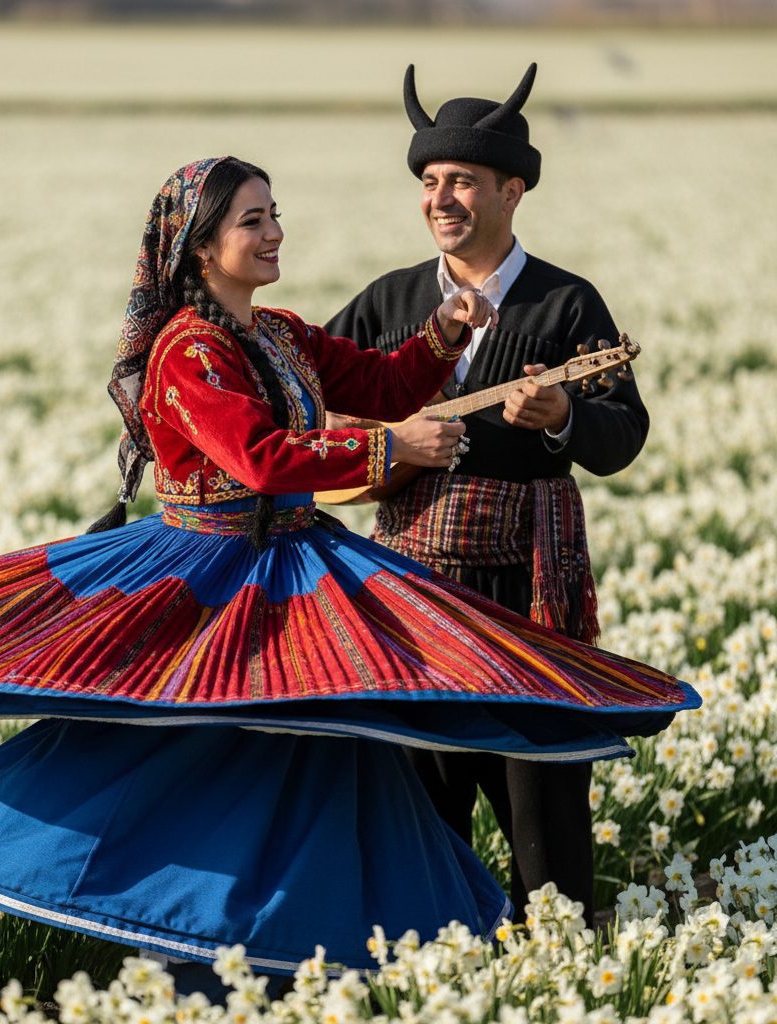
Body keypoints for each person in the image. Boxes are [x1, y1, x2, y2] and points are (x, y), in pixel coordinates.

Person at [0, 156, 695, 987]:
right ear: (201, 244)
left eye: (275, 214)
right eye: (252, 220)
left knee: (311, 753)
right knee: (212, 751)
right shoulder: (189, 351)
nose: (273, 232)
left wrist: (448, 334)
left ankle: (323, 949)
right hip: (213, 571)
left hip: (291, 559)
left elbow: (379, 381)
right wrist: (388, 455)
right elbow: (261, 459)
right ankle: (196, 948)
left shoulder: (283, 333)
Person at [324, 64, 651, 922]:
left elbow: (624, 435)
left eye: (462, 181)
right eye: (430, 183)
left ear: (513, 190)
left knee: (542, 793)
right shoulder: (387, 302)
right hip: (411, 587)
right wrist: (389, 445)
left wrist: (561, 415)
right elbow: (309, 409)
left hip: (528, 588)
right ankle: (431, 956)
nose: (442, 199)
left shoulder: (566, 304)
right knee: (422, 788)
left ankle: (555, 960)